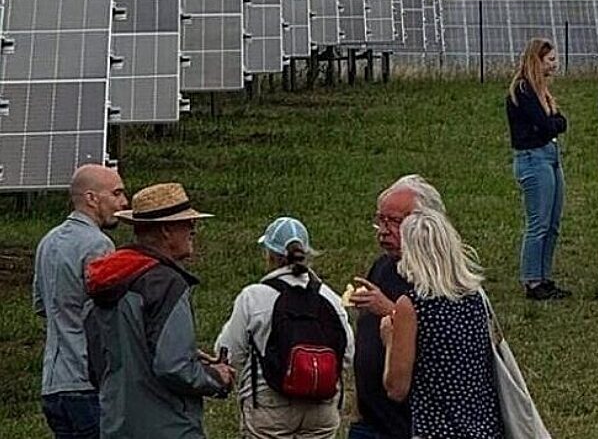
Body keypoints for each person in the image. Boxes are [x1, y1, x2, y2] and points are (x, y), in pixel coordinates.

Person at [85, 182, 235, 438]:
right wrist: (215, 376)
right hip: (169, 427)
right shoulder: (166, 284)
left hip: (117, 426)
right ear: (166, 230)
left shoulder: (107, 281)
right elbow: (174, 367)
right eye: (187, 223)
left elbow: (98, 365)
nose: (193, 230)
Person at [215, 217, 354, 439]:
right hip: (322, 406)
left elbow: (228, 352)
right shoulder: (331, 298)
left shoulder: (254, 297)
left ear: (270, 255)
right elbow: (347, 356)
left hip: (270, 403)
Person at [381, 211, 503, 439]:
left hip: (438, 429)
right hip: (485, 428)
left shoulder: (412, 305)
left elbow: (397, 388)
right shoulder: (474, 297)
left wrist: (390, 340)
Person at [347, 175, 446, 439]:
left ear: (424, 224)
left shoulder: (436, 278)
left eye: (394, 222)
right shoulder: (382, 266)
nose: (383, 230)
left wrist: (389, 309)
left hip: (408, 425)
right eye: (381, 220)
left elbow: (438, 338)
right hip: (367, 421)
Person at [33, 165, 128, 439]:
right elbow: (108, 315)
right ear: (91, 198)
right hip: (87, 381)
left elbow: (42, 305)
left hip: (53, 382)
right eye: (117, 193)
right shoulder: (99, 245)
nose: (124, 202)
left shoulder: (47, 242)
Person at [505, 37, 570, 299]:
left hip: (550, 155)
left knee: (553, 222)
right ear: (537, 61)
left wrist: (553, 122)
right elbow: (546, 124)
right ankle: (532, 279)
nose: (554, 65)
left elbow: (559, 122)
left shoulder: (544, 92)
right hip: (533, 158)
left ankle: (545, 275)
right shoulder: (523, 90)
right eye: (550, 60)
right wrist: (552, 123)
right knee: (538, 222)